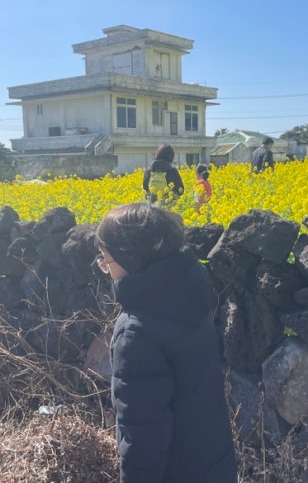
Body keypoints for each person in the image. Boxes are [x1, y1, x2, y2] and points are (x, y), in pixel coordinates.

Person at [95, 203, 237, 483]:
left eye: (105, 260)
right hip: (213, 464)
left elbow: (142, 437)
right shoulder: (190, 297)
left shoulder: (137, 331)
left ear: (129, 258)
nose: (103, 267)